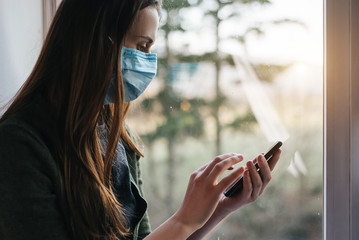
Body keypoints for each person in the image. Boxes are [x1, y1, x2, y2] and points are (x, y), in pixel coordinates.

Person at [0, 0, 281, 239]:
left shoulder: (119, 138)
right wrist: (183, 219)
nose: (148, 60)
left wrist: (219, 207)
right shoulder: (18, 146)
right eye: (142, 46)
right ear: (98, 41)